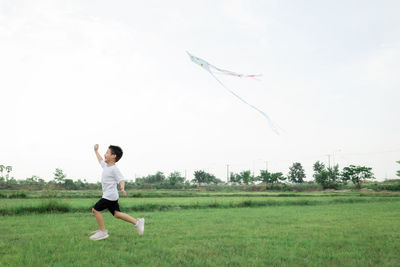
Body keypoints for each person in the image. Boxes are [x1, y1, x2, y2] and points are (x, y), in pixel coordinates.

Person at [90, 144, 144, 241]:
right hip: (111, 196)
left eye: (107, 153)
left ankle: (102, 232)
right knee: (117, 214)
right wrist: (96, 151)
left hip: (109, 196)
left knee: (95, 210)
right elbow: (100, 160)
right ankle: (137, 222)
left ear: (113, 156)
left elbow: (121, 179)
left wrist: (122, 188)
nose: (105, 154)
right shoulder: (106, 166)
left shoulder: (114, 169)